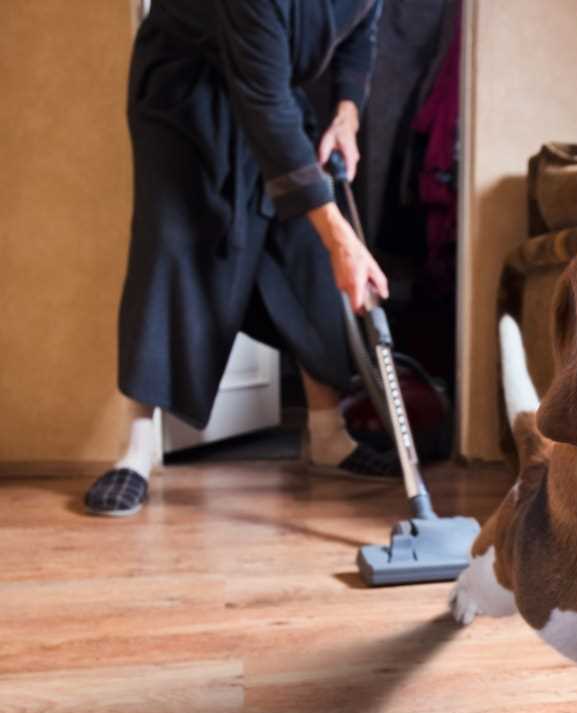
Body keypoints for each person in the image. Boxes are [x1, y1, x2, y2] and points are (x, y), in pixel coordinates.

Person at [84, 0, 396, 517]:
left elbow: (362, 36)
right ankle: (135, 451)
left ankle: (327, 436)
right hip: (185, 94)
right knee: (173, 246)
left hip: (264, 82)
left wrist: (346, 114)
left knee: (304, 246)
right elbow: (266, 106)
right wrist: (342, 240)